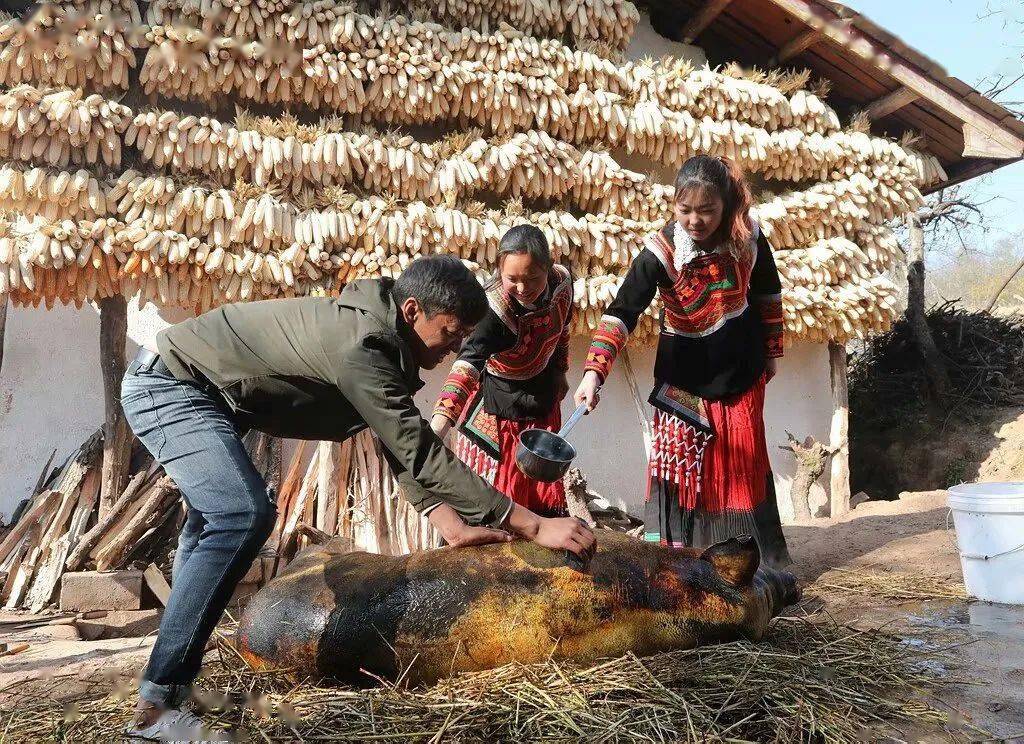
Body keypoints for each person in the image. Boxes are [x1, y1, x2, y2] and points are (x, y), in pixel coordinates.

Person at [121, 255, 596, 740]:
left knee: (217, 524)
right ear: (412, 311)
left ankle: (170, 689)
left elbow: (393, 435)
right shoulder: (360, 344)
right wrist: (533, 524)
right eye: (451, 332)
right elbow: (415, 445)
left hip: (206, 396)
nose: (455, 348)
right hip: (170, 385)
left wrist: (447, 521)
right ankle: (158, 709)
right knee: (242, 515)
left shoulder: (381, 342)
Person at [574, 155, 791, 568]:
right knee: (682, 477)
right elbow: (623, 310)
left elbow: (768, 291)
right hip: (682, 382)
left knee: (741, 472)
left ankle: (751, 569)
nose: (695, 220)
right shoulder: (662, 251)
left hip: (741, 374)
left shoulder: (748, 238)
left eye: (707, 211)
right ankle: (680, 572)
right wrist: (593, 372)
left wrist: (772, 352)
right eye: (685, 209)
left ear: (725, 206)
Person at [430, 225, 573, 516]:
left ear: (548, 267)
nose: (523, 288)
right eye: (512, 279)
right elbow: (467, 366)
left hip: (543, 398)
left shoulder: (563, 283)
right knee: (501, 504)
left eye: (532, 277)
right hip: (501, 408)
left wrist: (560, 370)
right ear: (499, 272)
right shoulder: (491, 312)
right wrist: (438, 427)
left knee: (542, 501)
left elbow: (563, 327)